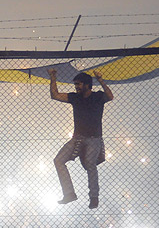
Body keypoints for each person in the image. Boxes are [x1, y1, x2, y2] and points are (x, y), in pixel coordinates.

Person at [48, 69, 113, 209]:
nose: (76, 87)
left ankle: (94, 197)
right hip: (78, 138)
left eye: (78, 84)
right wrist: (53, 76)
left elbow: (110, 96)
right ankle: (69, 194)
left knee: (90, 164)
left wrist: (101, 80)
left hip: (94, 139)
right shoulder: (75, 98)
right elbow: (55, 95)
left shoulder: (98, 96)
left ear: (87, 85)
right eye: (75, 85)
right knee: (58, 160)